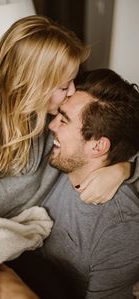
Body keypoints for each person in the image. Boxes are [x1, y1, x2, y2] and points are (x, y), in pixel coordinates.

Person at [0, 15, 136, 298]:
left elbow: (121, 132)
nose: (72, 93)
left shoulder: (53, 121)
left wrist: (124, 168)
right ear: (30, 85)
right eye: (64, 85)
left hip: (23, 243)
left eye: (74, 80)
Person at [38, 69, 139, 298]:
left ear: (97, 146)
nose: (51, 126)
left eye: (63, 120)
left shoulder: (119, 229)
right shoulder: (64, 160)